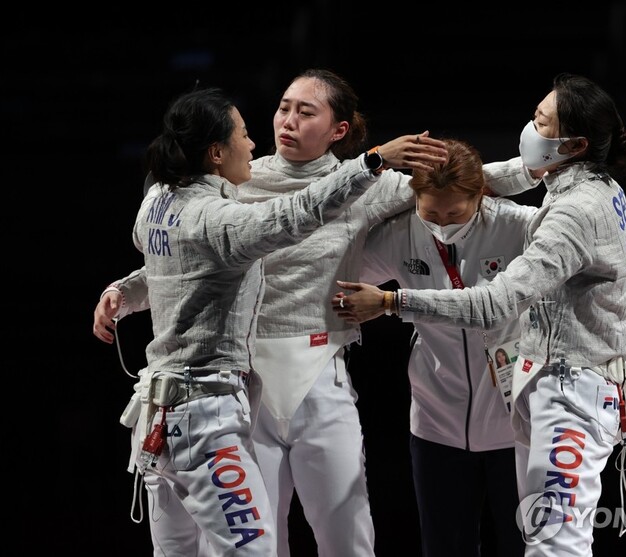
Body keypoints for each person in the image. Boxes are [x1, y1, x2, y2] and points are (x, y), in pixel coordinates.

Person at [94, 68, 523, 556]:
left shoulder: (367, 185)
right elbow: (193, 262)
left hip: (319, 374)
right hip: (245, 383)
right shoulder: (239, 185)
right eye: (282, 107)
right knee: (258, 541)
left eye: (305, 111)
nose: (286, 121)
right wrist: (126, 291)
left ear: (338, 130)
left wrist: (535, 168)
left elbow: (462, 182)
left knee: (348, 538)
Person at [333, 73, 626, 556]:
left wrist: (389, 302)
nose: (442, 225)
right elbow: (605, 262)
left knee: (550, 545)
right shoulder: (588, 189)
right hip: (459, 411)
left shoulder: (534, 221)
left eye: (540, 120)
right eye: (432, 214)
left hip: (537, 401)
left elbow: (507, 298)